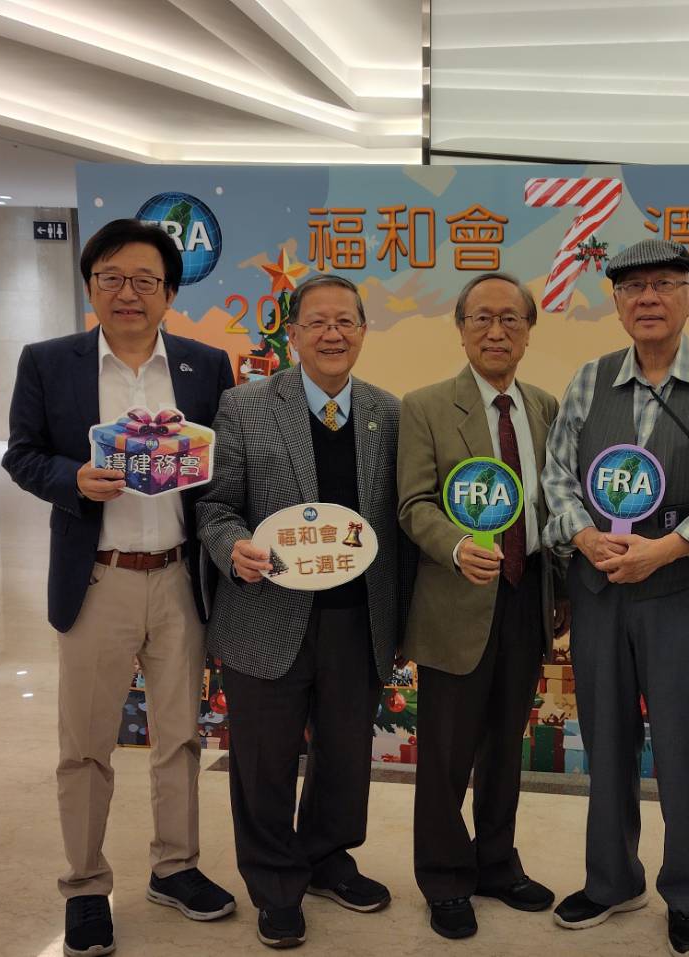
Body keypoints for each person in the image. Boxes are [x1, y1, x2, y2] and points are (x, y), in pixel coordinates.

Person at [2, 218, 237, 957]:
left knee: (179, 737)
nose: (127, 293)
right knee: (85, 743)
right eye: (111, 278)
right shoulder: (50, 363)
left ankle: (175, 867)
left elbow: (224, 468)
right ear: (90, 286)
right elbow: (21, 454)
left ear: (170, 293)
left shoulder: (205, 366)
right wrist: (72, 479)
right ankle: (84, 884)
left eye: (144, 280)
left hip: (178, 577)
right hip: (96, 578)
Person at [540, 239, 689, 956]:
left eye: (665, 284)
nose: (649, 298)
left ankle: (688, 893)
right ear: (616, 302)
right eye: (633, 287)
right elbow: (557, 477)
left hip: (684, 590)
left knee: (686, 745)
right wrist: (584, 538)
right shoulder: (589, 380)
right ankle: (612, 879)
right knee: (604, 736)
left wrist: (663, 550)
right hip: (601, 585)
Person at [196, 273, 412, 949]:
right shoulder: (245, 406)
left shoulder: (388, 413)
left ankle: (327, 858)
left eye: (345, 321)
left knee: (345, 754)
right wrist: (233, 548)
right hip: (265, 612)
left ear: (363, 331)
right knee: (263, 761)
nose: (332, 334)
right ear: (292, 334)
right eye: (316, 322)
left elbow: (398, 522)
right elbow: (215, 507)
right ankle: (274, 883)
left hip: (358, 617)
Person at [397, 273, 565, 939]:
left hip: (526, 595)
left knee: (504, 746)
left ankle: (496, 862)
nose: (497, 332)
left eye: (510, 319)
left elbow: (554, 504)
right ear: (461, 329)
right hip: (456, 598)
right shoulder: (426, 406)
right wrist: (458, 545)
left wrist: (562, 592)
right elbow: (413, 503)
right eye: (482, 319)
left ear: (529, 330)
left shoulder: (545, 407)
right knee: (446, 753)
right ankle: (444, 877)